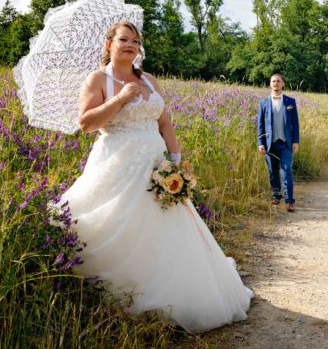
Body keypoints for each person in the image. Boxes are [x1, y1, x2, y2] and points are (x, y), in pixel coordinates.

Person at [57, 21, 252, 333]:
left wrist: (175, 162)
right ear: (109, 45)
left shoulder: (149, 80)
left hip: (156, 165)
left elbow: (165, 124)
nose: (131, 45)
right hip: (117, 164)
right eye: (123, 39)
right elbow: (86, 123)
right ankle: (119, 298)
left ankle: (175, 294)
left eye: (135, 40)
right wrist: (119, 99)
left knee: (166, 227)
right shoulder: (98, 79)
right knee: (120, 225)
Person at [257, 73, 300, 212]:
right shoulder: (263, 103)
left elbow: (295, 124)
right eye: (273, 81)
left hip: (286, 143)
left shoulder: (290, 102)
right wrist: (260, 143)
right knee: (272, 171)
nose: (276, 83)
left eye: (278, 81)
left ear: (283, 84)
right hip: (270, 144)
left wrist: (296, 141)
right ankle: (276, 195)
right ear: (270, 84)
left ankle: (289, 201)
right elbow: (260, 125)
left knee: (286, 170)